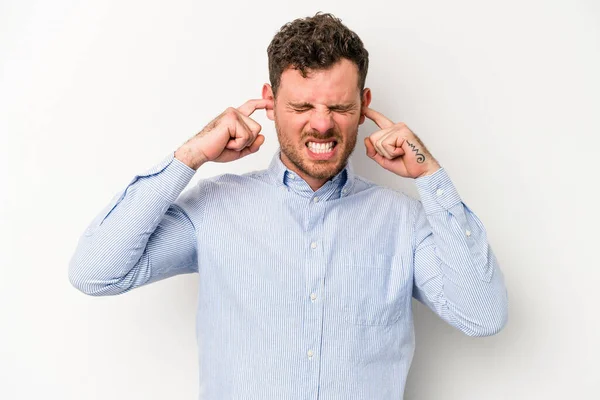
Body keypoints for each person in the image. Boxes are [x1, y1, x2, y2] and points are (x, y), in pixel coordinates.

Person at [69, 12, 508, 399]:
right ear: (271, 102)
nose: (321, 123)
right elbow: (95, 272)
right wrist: (191, 155)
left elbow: (482, 315)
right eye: (301, 105)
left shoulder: (404, 221)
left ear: (364, 106)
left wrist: (430, 174)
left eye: (339, 106)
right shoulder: (213, 209)